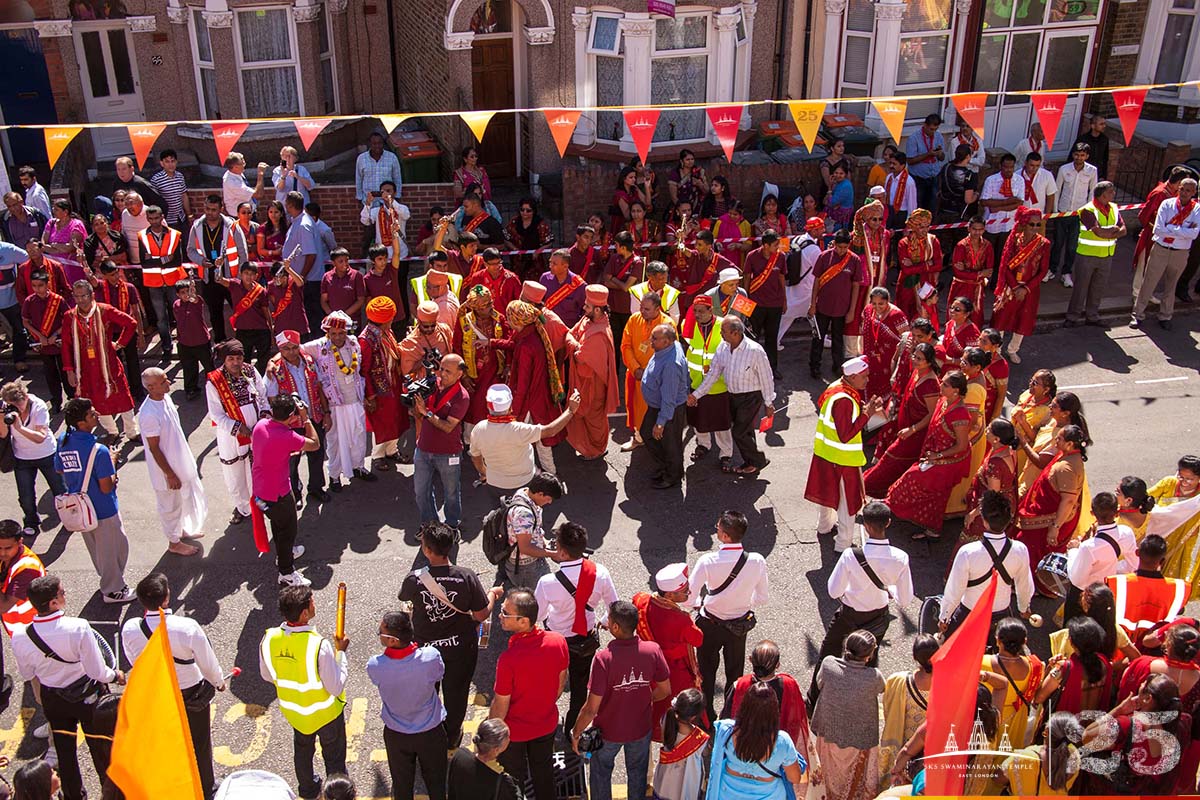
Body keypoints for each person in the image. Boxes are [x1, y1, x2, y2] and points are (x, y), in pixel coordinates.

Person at [13, 575, 126, 800]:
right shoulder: (78, 627)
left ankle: (74, 796)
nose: (65, 595)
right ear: (53, 602)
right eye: (62, 593)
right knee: (101, 748)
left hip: (54, 699)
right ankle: (111, 794)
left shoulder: (20, 636)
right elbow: (97, 671)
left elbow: (28, 674)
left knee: (65, 753)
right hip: (88, 696)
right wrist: (115, 675)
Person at [398, 523, 501, 749]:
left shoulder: (414, 579)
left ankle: (428, 732)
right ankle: (452, 735)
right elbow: (481, 614)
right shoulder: (465, 576)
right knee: (456, 694)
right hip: (460, 649)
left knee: (427, 693)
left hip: (425, 651)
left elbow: (404, 598)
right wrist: (493, 594)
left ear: (426, 550)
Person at [122, 572, 225, 797]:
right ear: (166, 598)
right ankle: (205, 787)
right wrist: (218, 682)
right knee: (199, 742)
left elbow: (133, 660)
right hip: (191, 691)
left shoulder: (130, 628)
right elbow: (207, 662)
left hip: (157, 692)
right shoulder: (186, 626)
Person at [809, 500, 913, 706]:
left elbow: (833, 590)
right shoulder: (901, 557)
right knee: (868, 660)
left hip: (849, 615)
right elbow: (905, 599)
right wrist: (890, 590)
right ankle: (860, 704)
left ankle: (813, 702)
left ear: (865, 525)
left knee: (828, 654)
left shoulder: (851, 555)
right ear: (888, 523)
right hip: (878, 617)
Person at [571, 600, 671, 800]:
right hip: (640, 728)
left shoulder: (604, 659)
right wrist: (645, 698)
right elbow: (665, 689)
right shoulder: (652, 650)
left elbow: (591, 708)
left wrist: (576, 733)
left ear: (615, 627)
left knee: (600, 774)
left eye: (609, 619)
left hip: (608, 731)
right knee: (637, 774)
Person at [260, 584, 350, 800]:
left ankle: (309, 791)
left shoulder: (269, 639)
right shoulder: (319, 645)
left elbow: (267, 675)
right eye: (312, 602)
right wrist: (341, 653)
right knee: (334, 758)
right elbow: (335, 686)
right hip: (327, 715)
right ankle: (338, 794)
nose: (314, 605)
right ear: (304, 613)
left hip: (296, 714)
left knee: (302, 752)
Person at [532, 522, 618, 736]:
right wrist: (603, 620)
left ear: (562, 552)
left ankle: (544, 723)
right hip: (585, 638)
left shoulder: (547, 582)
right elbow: (614, 607)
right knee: (580, 687)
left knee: (550, 684)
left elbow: (538, 615)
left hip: (555, 641)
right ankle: (572, 728)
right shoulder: (601, 573)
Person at [489, 588, 569, 800]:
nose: (500, 615)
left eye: (505, 613)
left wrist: (491, 734)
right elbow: (561, 682)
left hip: (514, 734)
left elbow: (500, 705)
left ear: (523, 621)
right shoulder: (558, 641)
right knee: (544, 774)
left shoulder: (508, 660)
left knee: (513, 781)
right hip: (546, 725)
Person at [689, 510, 769, 721]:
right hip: (739, 626)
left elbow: (689, 597)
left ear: (725, 535)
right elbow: (762, 597)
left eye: (717, 528)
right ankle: (731, 714)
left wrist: (699, 603)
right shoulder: (757, 560)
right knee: (735, 673)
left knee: (706, 672)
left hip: (709, 624)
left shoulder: (707, 560)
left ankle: (706, 715)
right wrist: (742, 601)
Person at [54, 398, 133, 603]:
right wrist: (113, 462)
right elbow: (106, 487)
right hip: (103, 508)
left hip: (80, 508)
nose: (96, 414)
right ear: (82, 423)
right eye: (91, 414)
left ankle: (108, 580)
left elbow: (60, 469)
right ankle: (113, 590)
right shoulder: (100, 451)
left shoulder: (63, 440)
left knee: (99, 550)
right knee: (115, 549)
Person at [366, 609, 447, 800]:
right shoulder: (431, 657)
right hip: (431, 732)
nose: (380, 635)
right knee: (437, 784)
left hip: (397, 735)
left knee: (402, 786)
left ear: (393, 641)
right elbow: (439, 674)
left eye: (381, 633)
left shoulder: (376, 665)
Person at [805, 357, 882, 552]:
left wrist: (864, 409)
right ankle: (843, 543)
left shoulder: (836, 387)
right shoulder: (845, 400)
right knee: (848, 503)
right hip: (843, 459)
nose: (867, 380)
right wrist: (867, 414)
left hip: (825, 453)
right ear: (853, 376)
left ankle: (824, 527)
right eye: (864, 377)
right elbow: (846, 435)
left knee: (826, 492)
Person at [940, 491, 1035, 638]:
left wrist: (944, 617)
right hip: (1001, 618)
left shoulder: (968, 552)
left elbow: (955, 589)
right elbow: (1024, 585)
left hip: (969, 615)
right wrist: (1024, 607)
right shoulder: (1020, 550)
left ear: (984, 521)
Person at [688, 316, 774, 477]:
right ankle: (751, 462)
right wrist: (696, 395)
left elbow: (766, 378)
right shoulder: (723, 348)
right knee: (746, 431)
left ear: (735, 333)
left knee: (739, 432)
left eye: (723, 331)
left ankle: (758, 461)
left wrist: (769, 403)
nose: (720, 333)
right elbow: (713, 374)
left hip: (751, 398)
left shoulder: (755, 351)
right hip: (732, 396)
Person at [252, 393, 320, 587]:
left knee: (278, 526)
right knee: (288, 531)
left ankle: (285, 554)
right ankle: (286, 572)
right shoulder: (287, 437)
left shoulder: (260, 425)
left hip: (260, 491)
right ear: (291, 415)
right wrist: (306, 418)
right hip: (279, 494)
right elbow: (315, 444)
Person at [632, 563, 704, 741]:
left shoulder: (641, 600)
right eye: (685, 591)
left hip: (650, 666)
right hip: (676, 671)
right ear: (670, 595)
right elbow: (698, 639)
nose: (689, 593)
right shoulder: (680, 620)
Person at [302, 311, 374, 490]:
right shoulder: (318, 346)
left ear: (346, 332)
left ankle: (358, 467)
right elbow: (295, 348)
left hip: (355, 399)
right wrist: (273, 361)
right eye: (333, 333)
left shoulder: (354, 343)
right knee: (335, 441)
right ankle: (334, 476)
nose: (337, 337)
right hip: (334, 404)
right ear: (327, 332)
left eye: (341, 333)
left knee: (358, 436)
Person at [61, 279, 139, 441]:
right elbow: (66, 344)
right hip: (85, 368)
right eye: (77, 296)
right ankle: (112, 431)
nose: (81, 300)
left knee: (122, 397)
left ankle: (132, 432)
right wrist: (69, 370)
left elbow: (131, 323)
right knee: (96, 400)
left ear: (92, 295)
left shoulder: (105, 310)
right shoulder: (70, 317)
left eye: (84, 296)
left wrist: (120, 344)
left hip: (108, 364)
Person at [136, 368, 204, 557]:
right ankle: (174, 543)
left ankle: (181, 531)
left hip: (178, 463)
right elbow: (154, 448)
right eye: (163, 381)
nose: (169, 383)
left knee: (182, 499)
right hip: (165, 471)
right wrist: (170, 474)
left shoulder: (165, 398)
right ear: (151, 387)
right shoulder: (148, 414)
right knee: (169, 506)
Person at [1017, 424, 1090, 594]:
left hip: (1049, 521)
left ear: (1070, 444)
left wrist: (1055, 527)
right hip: (1044, 516)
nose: (1056, 440)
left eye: (1060, 439)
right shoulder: (1066, 456)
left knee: (1034, 550)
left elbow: (1068, 500)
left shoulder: (1066, 467)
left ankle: (1035, 587)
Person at [809, 630, 882, 800]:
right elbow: (882, 688)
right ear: (868, 656)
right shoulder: (873, 676)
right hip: (859, 736)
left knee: (827, 771)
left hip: (829, 729)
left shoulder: (828, 664)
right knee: (855, 776)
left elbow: (819, 683)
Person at [469, 386, 577, 498]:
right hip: (523, 483)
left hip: (495, 483)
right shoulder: (519, 430)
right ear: (510, 408)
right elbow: (550, 431)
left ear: (488, 406)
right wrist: (570, 410)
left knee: (499, 509)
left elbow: (476, 457)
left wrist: (484, 473)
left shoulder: (479, 429)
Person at [863, 343, 940, 498]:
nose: (915, 360)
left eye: (919, 358)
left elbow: (932, 414)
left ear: (929, 362)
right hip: (905, 428)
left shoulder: (931, 384)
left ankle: (862, 487)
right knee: (896, 464)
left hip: (915, 434)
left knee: (889, 461)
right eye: (914, 356)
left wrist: (912, 430)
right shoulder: (917, 372)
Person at [206, 339, 269, 525]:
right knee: (235, 472)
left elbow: (263, 395)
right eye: (231, 359)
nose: (235, 363)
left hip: (256, 430)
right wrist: (239, 428)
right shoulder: (215, 381)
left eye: (239, 358)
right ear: (224, 360)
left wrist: (263, 419)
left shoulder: (250, 371)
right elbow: (216, 414)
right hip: (231, 435)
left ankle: (258, 500)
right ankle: (241, 506)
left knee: (256, 468)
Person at [264, 330, 330, 505]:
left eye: (294, 347)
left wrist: (326, 413)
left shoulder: (309, 361)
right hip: (290, 422)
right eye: (286, 349)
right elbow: (271, 399)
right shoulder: (274, 370)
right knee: (292, 459)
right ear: (279, 349)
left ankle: (316, 488)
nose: (291, 352)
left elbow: (319, 388)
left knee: (317, 452)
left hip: (314, 416)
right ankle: (295, 492)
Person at [1133, 175, 1199, 331]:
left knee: (1171, 285)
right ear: (1178, 189)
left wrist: (1170, 228)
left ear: (1193, 193)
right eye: (1182, 189)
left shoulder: (1197, 209)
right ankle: (1138, 315)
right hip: (1161, 249)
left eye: (1188, 191)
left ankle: (1165, 316)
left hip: (1180, 252)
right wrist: (1182, 231)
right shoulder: (1167, 204)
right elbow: (1158, 229)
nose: (1184, 193)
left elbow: (1194, 233)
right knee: (1148, 282)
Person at [411, 353, 469, 529]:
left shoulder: (462, 397)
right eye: (441, 369)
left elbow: (448, 427)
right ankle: (430, 526)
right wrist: (415, 403)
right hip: (423, 448)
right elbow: (416, 413)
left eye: (448, 371)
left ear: (459, 374)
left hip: (448, 453)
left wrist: (426, 412)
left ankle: (451, 526)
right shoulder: (431, 384)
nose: (442, 374)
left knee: (451, 493)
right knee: (421, 492)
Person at [0, 382, 64, 537]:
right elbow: (3, 435)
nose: (17, 409)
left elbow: (40, 437)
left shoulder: (39, 406)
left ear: (25, 397)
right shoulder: (7, 410)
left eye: (19, 405)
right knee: (25, 496)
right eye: (12, 405)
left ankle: (68, 516)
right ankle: (31, 522)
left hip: (47, 454)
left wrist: (20, 427)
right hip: (22, 458)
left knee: (60, 490)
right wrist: (2, 419)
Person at [1063, 493, 1138, 621]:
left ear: (1092, 513)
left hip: (1084, 596)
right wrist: (1111, 570)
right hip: (1108, 592)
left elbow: (1077, 580)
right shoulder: (1126, 533)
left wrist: (1073, 551)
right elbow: (1133, 565)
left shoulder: (1088, 547)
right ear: (1117, 513)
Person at [565, 284, 619, 460]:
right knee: (585, 415)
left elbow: (580, 356)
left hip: (593, 385)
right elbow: (570, 333)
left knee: (594, 418)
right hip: (583, 380)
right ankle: (590, 447)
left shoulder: (599, 333)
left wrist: (574, 344)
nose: (583, 308)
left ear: (597, 309)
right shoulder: (587, 319)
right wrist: (576, 344)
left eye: (587, 306)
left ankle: (597, 449)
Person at [679, 295, 733, 470]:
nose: (697, 314)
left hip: (719, 385)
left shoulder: (723, 326)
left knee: (721, 423)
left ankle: (726, 453)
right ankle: (703, 445)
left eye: (701, 311)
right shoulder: (688, 325)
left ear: (711, 310)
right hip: (695, 382)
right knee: (698, 419)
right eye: (695, 311)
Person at [186, 194, 248, 343]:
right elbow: (190, 250)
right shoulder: (197, 226)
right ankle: (220, 343)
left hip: (230, 279)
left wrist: (240, 277)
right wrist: (201, 261)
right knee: (215, 314)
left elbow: (243, 253)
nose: (210, 213)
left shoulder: (232, 226)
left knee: (240, 311)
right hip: (209, 279)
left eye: (214, 210)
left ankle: (244, 342)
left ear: (221, 209)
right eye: (207, 209)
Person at [992, 206, 1050, 364]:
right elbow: (1005, 266)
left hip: (1030, 289)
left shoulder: (1044, 244)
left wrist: (1026, 288)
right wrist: (1015, 287)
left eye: (1038, 225)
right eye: (1032, 224)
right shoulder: (1014, 240)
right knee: (1001, 318)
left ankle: (1013, 350)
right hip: (1011, 287)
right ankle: (997, 351)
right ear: (1024, 224)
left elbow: (1043, 270)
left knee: (1023, 319)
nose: (1035, 228)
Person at [1064, 180, 1126, 329]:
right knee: (1081, 288)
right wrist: (1112, 232)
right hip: (1087, 256)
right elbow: (1098, 232)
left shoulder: (1114, 208)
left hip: (1106, 256)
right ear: (1103, 194)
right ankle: (1072, 317)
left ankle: (1092, 316)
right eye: (1111, 191)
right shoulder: (1087, 210)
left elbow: (1124, 230)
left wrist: (1110, 233)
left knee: (1098, 288)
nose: (1114, 194)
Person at [878, 635, 936, 790]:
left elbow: (888, 708)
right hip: (931, 745)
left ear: (914, 657)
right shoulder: (947, 682)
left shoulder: (899, 680)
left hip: (906, 745)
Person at [620, 291, 673, 453]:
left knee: (657, 411)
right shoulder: (634, 319)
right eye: (641, 307)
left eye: (647, 309)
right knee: (637, 409)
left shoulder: (667, 324)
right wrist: (635, 368)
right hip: (636, 375)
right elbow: (626, 346)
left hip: (657, 379)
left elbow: (670, 354)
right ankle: (638, 438)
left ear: (658, 309)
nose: (642, 311)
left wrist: (651, 373)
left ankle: (658, 442)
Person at [358, 297, 408, 470]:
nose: (392, 320)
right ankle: (378, 456)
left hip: (393, 381)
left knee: (395, 417)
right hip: (378, 389)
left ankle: (392, 450)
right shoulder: (366, 340)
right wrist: (370, 395)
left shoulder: (386, 331)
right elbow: (364, 370)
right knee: (381, 422)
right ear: (385, 320)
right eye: (391, 318)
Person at [808, 230, 865, 379]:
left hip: (842, 308)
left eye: (845, 247)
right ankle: (814, 366)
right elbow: (816, 282)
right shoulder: (824, 257)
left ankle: (837, 366)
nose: (841, 250)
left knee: (838, 339)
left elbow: (856, 286)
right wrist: (813, 304)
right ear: (834, 244)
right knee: (818, 338)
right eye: (839, 247)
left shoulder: (854, 260)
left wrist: (852, 310)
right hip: (823, 306)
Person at [957, 417, 1021, 548]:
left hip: (992, 509)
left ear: (996, 439)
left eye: (989, 430)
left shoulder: (995, 464)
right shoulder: (1009, 450)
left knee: (974, 541)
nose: (986, 430)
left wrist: (974, 514)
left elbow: (992, 496)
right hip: (1005, 502)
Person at [640, 323, 689, 489]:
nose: (650, 341)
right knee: (647, 433)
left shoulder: (671, 365)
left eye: (655, 338)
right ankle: (666, 466)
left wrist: (661, 423)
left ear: (667, 341)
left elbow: (669, 397)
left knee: (670, 444)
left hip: (668, 410)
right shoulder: (670, 347)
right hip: (658, 406)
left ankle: (672, 476)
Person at [0, 520, 45, 694]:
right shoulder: (9, 558)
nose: (2, 553)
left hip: (31, 628)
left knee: (38, 670)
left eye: (7, 548)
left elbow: (4, 606)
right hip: (19, 626)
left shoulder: (27, 568)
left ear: (20, 542)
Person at [1032, 616, 1111, 715]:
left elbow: (1039, 697)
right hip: (1094, 722)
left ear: (1071, 641)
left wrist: (1049, 668)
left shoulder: (1063, 668)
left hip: (1067, 722)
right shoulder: (1104, 663)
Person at [137, 205, 185, 364]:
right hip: (154, 282)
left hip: (172, 280)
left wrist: (154, 259)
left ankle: (183, 344)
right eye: (151, 219)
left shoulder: (174, 234)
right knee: (161, 318)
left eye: (156, 218)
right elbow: (144, 262)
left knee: (178, 313)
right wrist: (165, 259)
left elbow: (177, 261)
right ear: (147, 219)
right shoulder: (142, 236)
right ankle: (166, 347)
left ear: (162, 217)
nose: (154, 221)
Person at [1148, 455, 1200, 597]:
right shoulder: (1169, 483)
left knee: (1176, 576)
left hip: (1184, 541)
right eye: (1181, 477)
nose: (1184, 482)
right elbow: (1146, 497)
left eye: (1189, 479)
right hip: (1159, 537)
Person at [1052, 142, 1099, 285]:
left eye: (1082, 155)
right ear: (1073, 155)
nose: (1079, 158)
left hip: (1079, 214)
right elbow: (1057, 190)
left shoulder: (1092, 171)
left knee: (1072, 246)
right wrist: (1055, 210)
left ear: (1087, 156)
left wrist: (1088, 212)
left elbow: (1092, 192)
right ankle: (1052, 269)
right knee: (1058, 243)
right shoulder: (1064, 169)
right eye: (1077, 155)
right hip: (1062, 212)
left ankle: (1066, 273)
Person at [742, 231, 787, 377]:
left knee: (772, 338)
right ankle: (750, 368)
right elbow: (747, 278)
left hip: (775, 304)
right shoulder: (752, 256)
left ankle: (772, 368)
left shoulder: (781, 256)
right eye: (775, 245)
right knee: (752, 337)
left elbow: (781, 278)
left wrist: (784, 300)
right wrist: (746, 301)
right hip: (756, 304)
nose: (778, 247)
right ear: (766, 245)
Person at [652, 688, 710, 800]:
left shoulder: (666, 720)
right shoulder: (700, 738)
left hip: (665, 779)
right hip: (686, 784)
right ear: (693, 716)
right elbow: (706, 753)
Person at [447, 718, 522, 800]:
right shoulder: (502, 781)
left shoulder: (460, 754)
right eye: (507, 737)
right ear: (496, 750)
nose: (509, 739)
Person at [859, 287, 909, 403]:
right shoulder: (868, 310)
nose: (877, 307)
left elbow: (906, 337)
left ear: (888, 301)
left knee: (886, 386)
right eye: (874, 303)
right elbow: (864, 329)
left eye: (881, 304)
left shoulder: (897, 315)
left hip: (888, 360)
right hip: (870, 357)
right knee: (869, 382)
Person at [980, 154, 1025, 263]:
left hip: (1009, 224)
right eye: (1006, 167)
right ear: (1000, 166)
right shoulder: (991, 180)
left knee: (1003, 255)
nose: (1008, 170)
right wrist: (1008, 202)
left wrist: (998, 207)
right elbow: (984, 201)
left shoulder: (1019, 180)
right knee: (988, 255)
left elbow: (1019, 202)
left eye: (1011, 167)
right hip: (992, 223)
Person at [171, 279, 212, 400]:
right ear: (178, 294)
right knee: (189, 368)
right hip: (185, 343)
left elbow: (196, 300)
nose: (186, 295)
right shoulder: (176, 305)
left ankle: (215, 388)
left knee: (209, 367)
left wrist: (193, 294)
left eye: (188, 291)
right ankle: (191, 389)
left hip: (201, 341)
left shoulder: (196, 301)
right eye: (183, 292)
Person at [948, 218, 992, 327]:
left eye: (980, 229)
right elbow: (957, 273)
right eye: (974, 229)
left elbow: (989, 271)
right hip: (961, 286)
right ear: (969, 228)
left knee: (975, 317)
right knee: (957, 314)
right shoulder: (961, 245)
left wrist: (967, 271)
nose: (977, 232)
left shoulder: (987, 245)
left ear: (984, 229)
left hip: (977, 288)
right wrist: (979, 274)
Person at [359, 180, 409, 264]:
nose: (386, 194)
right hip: (382, 255)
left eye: (388, 191)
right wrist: (368, 204)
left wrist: (391, 201)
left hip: (401, 254)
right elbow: (365, 221)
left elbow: (406, 215)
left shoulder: (402, 208)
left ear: (395, 193)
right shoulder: (376, 211)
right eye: (383, 192)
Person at [906, 114, 945, 211]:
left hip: (934, 176)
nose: (933, 132)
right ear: (925, 125)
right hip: (918, 179)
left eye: (936, 129)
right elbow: (910, 161)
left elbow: (942, 158)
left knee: (932, 206)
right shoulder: (913, 138)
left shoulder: (939, 136)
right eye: (931, 129)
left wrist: (939, 153)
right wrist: (928, 154)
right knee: (918, 206)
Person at [149, 148, 189, 231]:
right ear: (162, 163)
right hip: (167, 220)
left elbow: (184, 196)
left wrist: (189, 214)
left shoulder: (180, 176)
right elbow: (154, 200)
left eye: (172, 161)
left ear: (176, 162)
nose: (171, 164)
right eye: (167, 162)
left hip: (181, 217)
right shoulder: (156, 179)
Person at [629, 259, 681, 324]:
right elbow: (637, 318)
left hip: (665, 328)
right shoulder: (637, 291)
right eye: (661, 279)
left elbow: (674, 321)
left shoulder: (672, 293)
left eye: (666, 278)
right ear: (650, 277)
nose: (665, 281)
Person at [221, 152, 268, 216]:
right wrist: (260, 174)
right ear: (235, 167)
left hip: (248, 212)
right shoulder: (232, 183)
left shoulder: (236, 173)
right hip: (240, 216)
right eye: (242, 163)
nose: (244, 165)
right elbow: (258, 195)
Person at [884, 153, 917, 231]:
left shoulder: (909, 181)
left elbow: (912, 204)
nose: (891, 166)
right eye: (890, 163)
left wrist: (910, 224)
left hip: (901, 215)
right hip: (889, 213)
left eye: (894, 164)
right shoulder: (889, 177)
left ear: (902, 165)